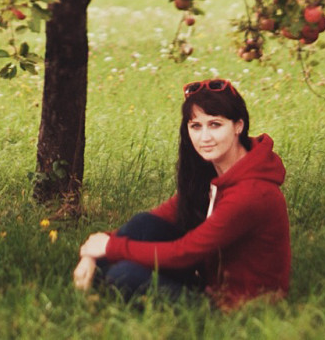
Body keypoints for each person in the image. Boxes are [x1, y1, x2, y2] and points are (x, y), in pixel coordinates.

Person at [75, 78, 291, 309]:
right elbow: (160, 218)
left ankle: (101, 287)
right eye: (196, 126)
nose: (204, 137)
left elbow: (185, 251)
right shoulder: (214, 174)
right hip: (208, 282)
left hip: (236, 305)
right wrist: (94, 251)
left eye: (215, 125)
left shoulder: (251, 192)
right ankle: (97, 285)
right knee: (144, 224)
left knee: (124, 275)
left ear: (238, 125)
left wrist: (109, 248)